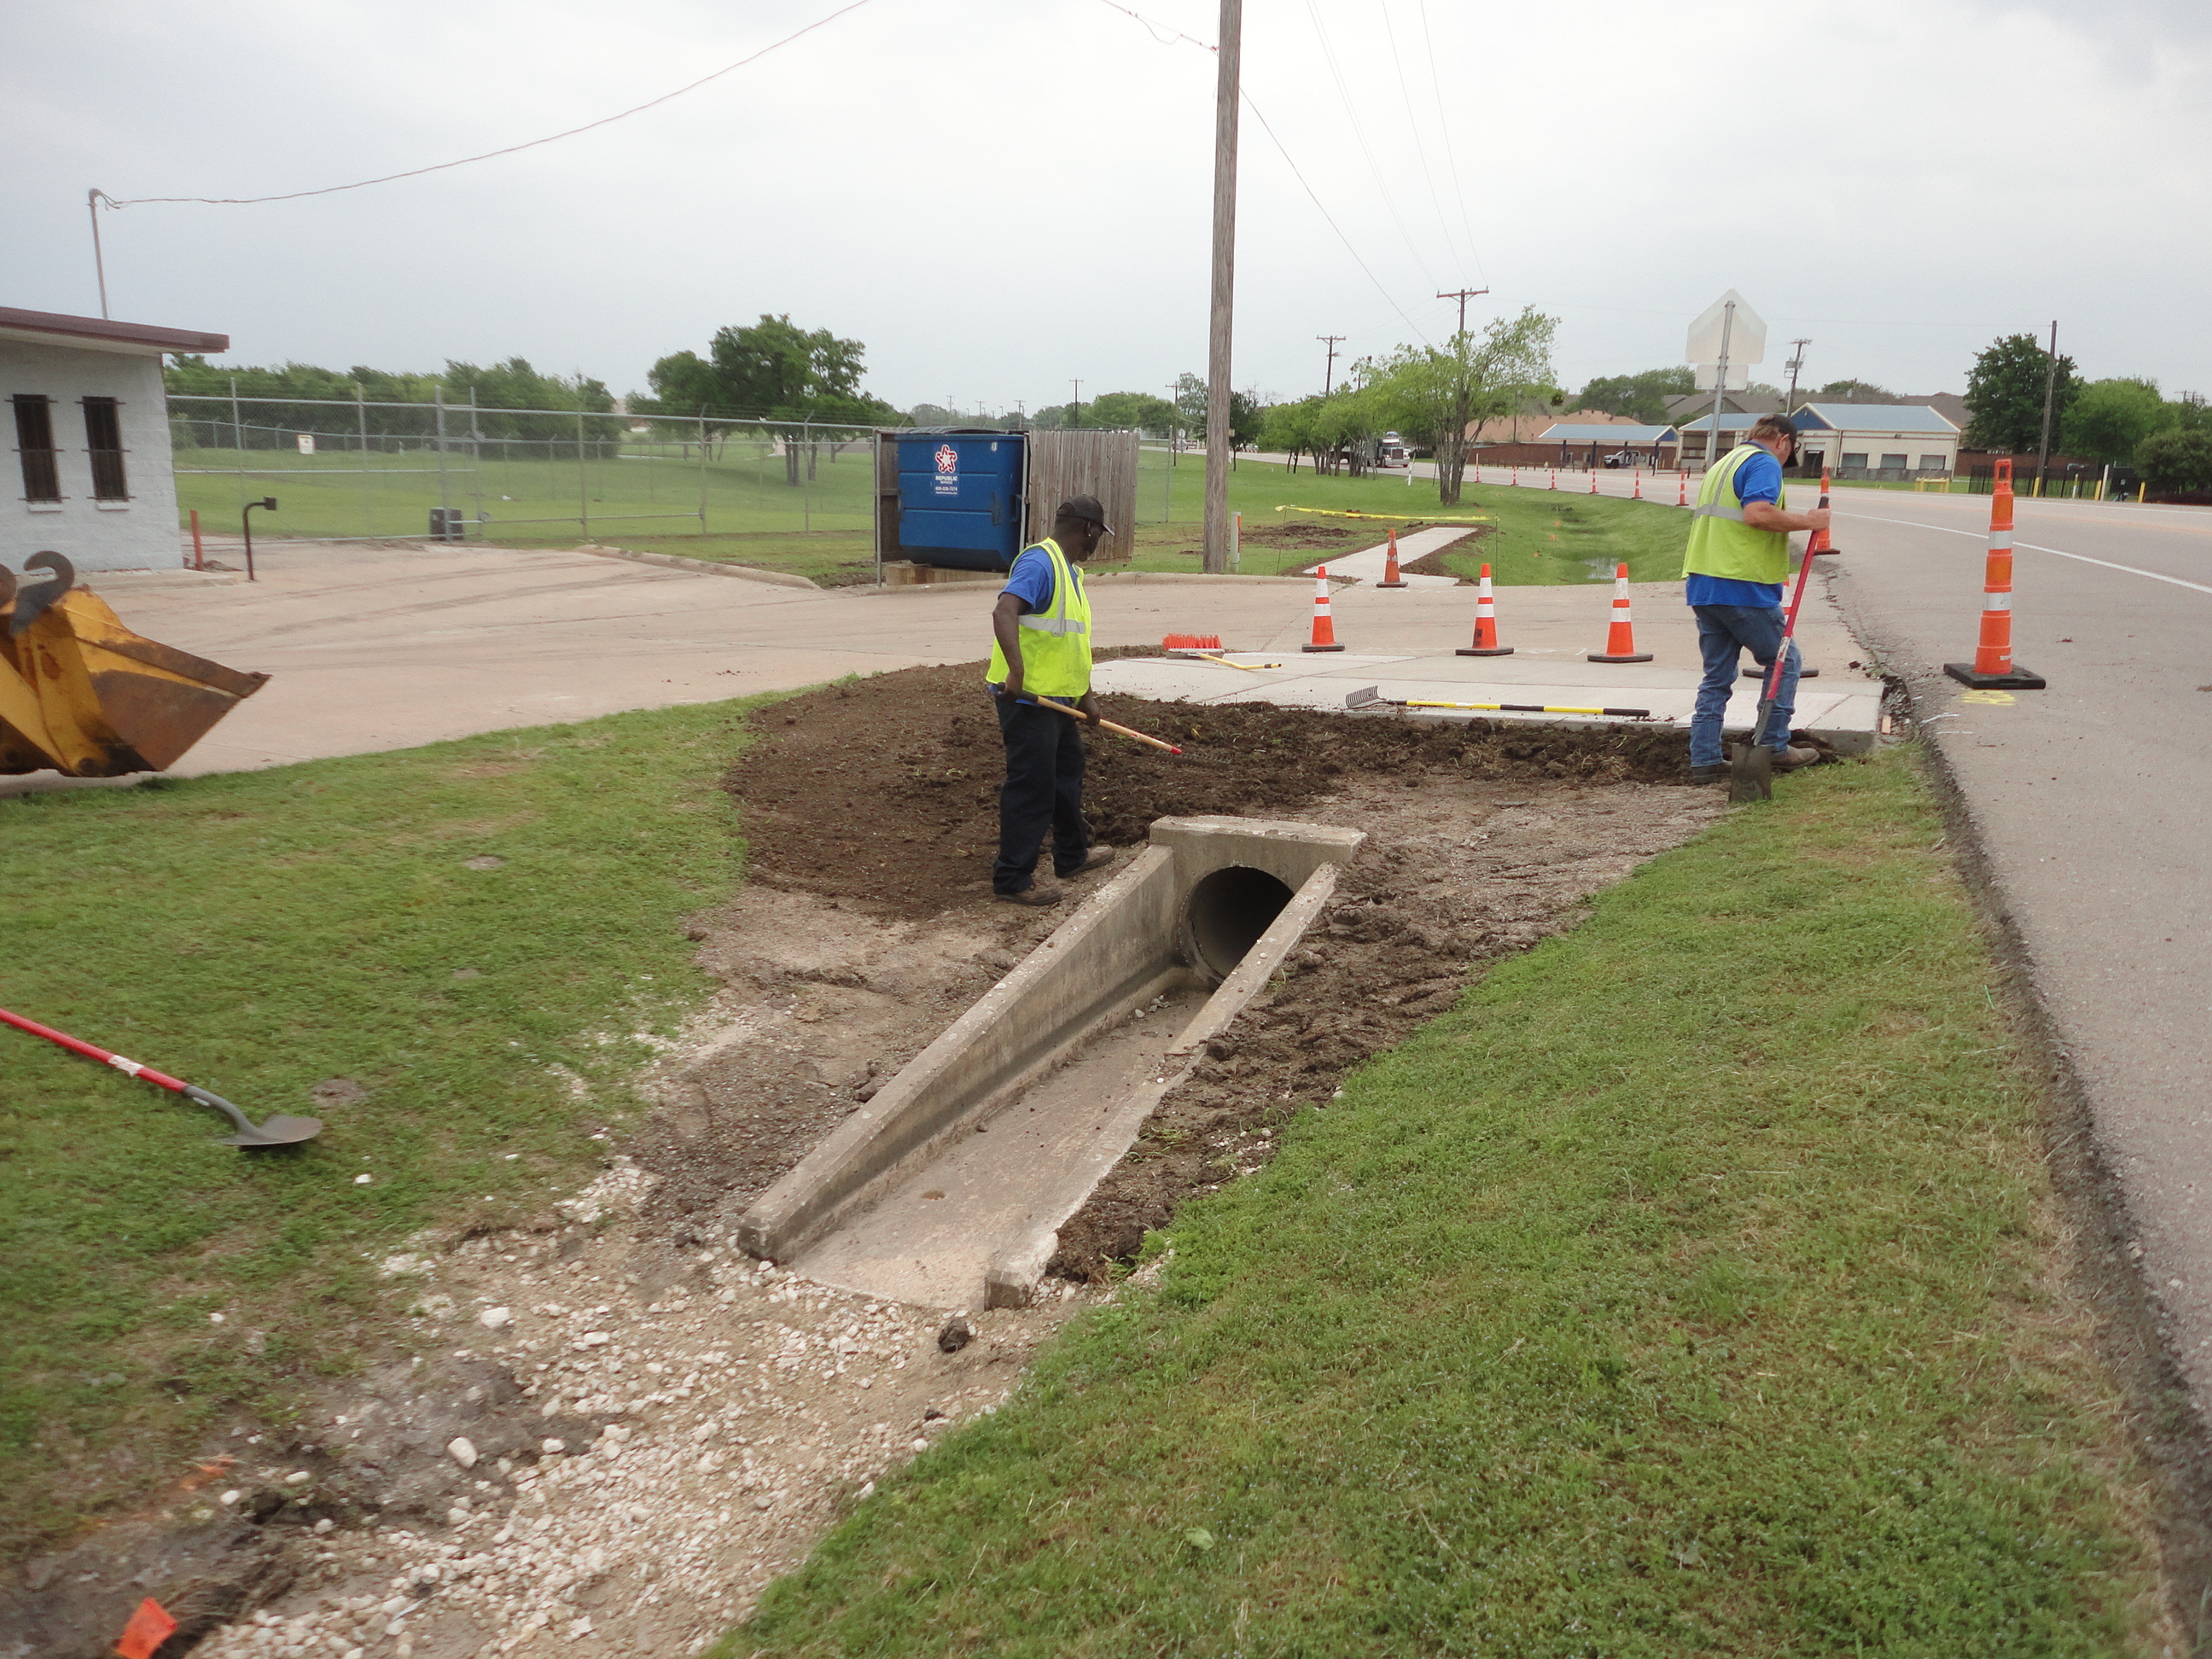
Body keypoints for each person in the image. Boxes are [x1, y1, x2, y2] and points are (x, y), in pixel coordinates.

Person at [1682, 413, 1834, 783]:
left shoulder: (1725, 462)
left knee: (1717, 677)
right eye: (1789, 453)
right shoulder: (1764, 462)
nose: (1785, 461)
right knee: (1784, 662)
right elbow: (1757, 514)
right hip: (1743, 584)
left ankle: (1704, 759)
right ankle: (1774, 746)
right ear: (1783, 440)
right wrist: (1811, 522)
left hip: (1705, 583)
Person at [985, 496, 1119, 905]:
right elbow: (1004, 611)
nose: (1098, 541)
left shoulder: (1070, 572)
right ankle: (1012, 879)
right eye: (1099, 534)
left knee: (1066, 776)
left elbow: (1071, 645)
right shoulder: (1040, 563)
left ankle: (1071, 854)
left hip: (1059, 701)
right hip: (1028, 701)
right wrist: (1017, 672)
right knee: (1033, 787)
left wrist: (1087, 698)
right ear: (1089, 529)